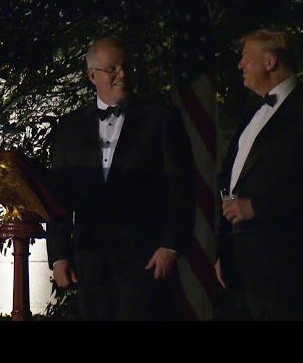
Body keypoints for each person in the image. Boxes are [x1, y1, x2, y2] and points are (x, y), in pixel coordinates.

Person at [46, 37, 195, 320]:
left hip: (145, 257)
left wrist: (171, 245)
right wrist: (58, 255)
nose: (122, 75)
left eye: (126, 67)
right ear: (92, 75)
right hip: (89, 261)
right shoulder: (69, 127)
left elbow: (181, 187)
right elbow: (59, 197)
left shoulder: (161, 119)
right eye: (112, 69)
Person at [217, 29, 303, 320]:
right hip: (243, 264)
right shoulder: (252, 108)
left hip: (286, 270)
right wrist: (224, 250)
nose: (240, 65)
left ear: (270, 62)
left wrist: (256, 206)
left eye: (246, 57)